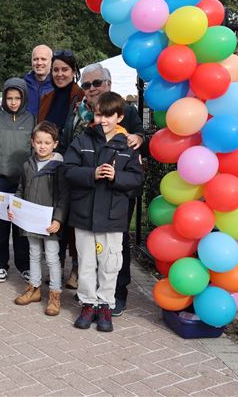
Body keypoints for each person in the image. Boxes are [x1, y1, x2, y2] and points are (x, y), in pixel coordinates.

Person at [65, 92, 143, 332]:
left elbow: (137, 179)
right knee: (86, 262)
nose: (103, 120)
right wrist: (92, 174)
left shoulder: (127, 145)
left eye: (109, 115)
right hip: (84, 214)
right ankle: (87, 303)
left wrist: (117, 177)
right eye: (99, 115)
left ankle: (105, 305)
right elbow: (68, 170)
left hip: (112, 216)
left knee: (110, 263)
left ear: (119, 116)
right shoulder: (82, 140)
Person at [79, 63, 146, 317]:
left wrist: (139, 138)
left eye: (97, 83)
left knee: (115, 247)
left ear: (108, 84)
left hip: (118, 192)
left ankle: (117, 293)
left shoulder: (125, 110)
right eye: (87, 85)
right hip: (89, 190)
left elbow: (141, 135)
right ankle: (90, 294)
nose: (92, 88)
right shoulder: (79, 113)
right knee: (88, 245)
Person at [38, 50, 87, 291]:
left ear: (73, 71)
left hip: (72, 163)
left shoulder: (80, 96)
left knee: (71, 217)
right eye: (55, 70)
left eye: (64, 70)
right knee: (53, 215)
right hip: (49, 163)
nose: (59, 74)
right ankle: (55, 265)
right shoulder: (47, 97)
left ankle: (76, 267)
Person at [10, 121, 69, 316]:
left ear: (55, 144)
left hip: (49, 223)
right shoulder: (28, 164)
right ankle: (34, 288)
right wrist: (15, 208)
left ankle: (55, 293)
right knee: (33, 254)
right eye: (38, 142)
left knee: (52, 258)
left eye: (47, 142)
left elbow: (63, 196)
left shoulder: (59, 167)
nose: (42, 146)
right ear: (32, 143)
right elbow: (20, 189)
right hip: (30, 221)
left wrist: (58, 220)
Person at [0, 78, 35, 283]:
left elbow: (35, 150)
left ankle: (23, 265)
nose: (13, 102)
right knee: (0, 226)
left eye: (17, 98)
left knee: (21, 227)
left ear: (24, 98)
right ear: (4, 98)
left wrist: (33, 179)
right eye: (9, 98)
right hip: (1, 181)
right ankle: (0, 264)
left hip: (23, 181)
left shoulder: (31, 119)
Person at [24, 44, 54, 117]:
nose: (39, 63)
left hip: (49, 127)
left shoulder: (58, 86)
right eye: (35, 59)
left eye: (43, 59)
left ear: (52, 62)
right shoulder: (23, 85)